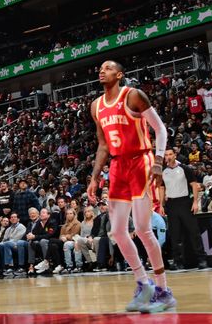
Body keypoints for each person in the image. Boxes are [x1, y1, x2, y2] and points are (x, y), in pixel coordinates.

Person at [87, 60, 175, 313]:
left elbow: (160, 128)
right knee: (116, 231)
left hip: (141, 161)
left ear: (120, 74)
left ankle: (163, 290)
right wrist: (94, 177)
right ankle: (142, 283)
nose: (102, 70)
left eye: (108, 68)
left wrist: (158, 161)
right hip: (118, 166)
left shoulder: (133, 95)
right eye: (100, 68)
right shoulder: (96, 106)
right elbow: (103, 145)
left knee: (144, 230)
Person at [162, 148, 208, 270]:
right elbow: (162, 188)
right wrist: (161, 205)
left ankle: (202, 259)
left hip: (185, 201)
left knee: (194, 232)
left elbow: (194, 185)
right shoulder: (163, 171)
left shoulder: (184, 168)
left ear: (175, 155)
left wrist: (195, 202)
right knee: (175, 235)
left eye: (170, 154)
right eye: (166, 155)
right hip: (171, 204)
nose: (168, 156)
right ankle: (178, 261)